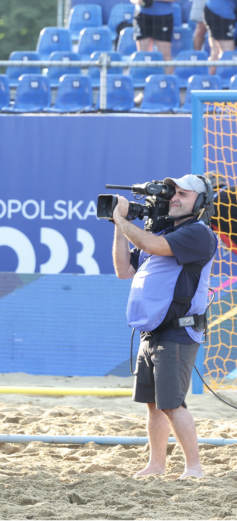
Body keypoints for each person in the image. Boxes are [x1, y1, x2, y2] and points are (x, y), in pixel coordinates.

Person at [111, 175, 217, 479]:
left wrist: (121, 218)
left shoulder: (198, 233)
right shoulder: (163, 232)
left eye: (183, 194)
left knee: (173, 405)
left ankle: (194, 468)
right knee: (154, 405)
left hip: (178, 331)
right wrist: (119, 226)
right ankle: (156, 465)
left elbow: (150, 244)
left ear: (200, 202)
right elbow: (123, 270)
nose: (174, 198)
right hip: (153, 331)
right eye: (173, 192)